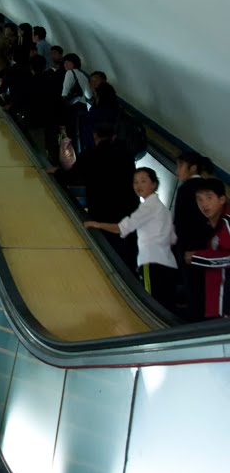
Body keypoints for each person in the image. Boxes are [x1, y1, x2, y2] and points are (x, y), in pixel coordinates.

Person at [85, 168, 178, 311]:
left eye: (143, 181)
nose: (138, 185)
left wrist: (97, 224)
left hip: (152, 261)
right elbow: (173, 238)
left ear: (154, 184)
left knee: (153, 307)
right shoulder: (162, 208)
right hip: (168, 263)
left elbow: (122, 228)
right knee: (166, 305)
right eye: (135, 182)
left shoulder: (148, 207)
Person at [66, 123, 139, 270]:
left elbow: (71, 177)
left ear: (95, 136)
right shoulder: (126, 155)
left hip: (102, 215)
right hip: (128, 215)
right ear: (114, 136)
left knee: (106, 254)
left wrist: (56, 172)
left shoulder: (89, 155)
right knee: (128, 258)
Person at [173, 151, 213, 320]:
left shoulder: (185, 190)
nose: (178, 171)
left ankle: (193, 323)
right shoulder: (210, 186)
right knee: (208, 289)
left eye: (181, 166)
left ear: (193, 168)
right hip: (210, 248)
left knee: (193, 290)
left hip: (190, 250)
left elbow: (180, 223)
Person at [185, 179, 230, 319]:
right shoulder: (213, 227)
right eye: (199, 199)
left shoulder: (227, 223)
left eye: (209, 197)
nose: (204, 204)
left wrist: (197, 257)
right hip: (217, 304)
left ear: (222, 199)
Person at [60, 53, 91, 151]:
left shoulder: (70, 73)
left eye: (67, 62)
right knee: (80, 135)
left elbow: (65, 92)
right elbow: (89, 95)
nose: (65, 65)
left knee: (72, 134)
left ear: (73, 63)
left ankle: (73, 158)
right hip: (83, 107)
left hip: (73, 108)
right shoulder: (83, 76)